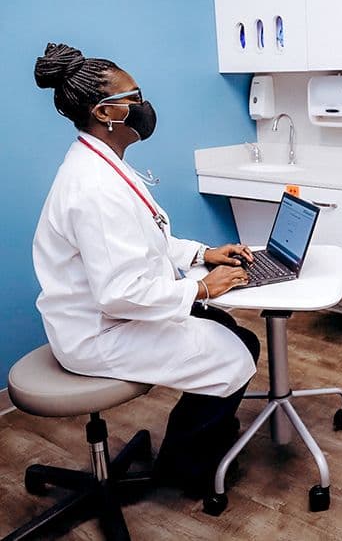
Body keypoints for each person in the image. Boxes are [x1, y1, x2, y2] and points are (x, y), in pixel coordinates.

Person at [32, 42, 260, 495]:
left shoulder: (103, 164)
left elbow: (146, 241)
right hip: (99, 331)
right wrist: (201, 291)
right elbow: (119, 292)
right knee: (231, 355)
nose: (143, 107)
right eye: (134, 99)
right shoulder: (93, 187)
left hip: (115, 314)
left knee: (239, 335)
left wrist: (202, 256)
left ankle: (197, 442)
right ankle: (188, 470)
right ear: (105, 113)